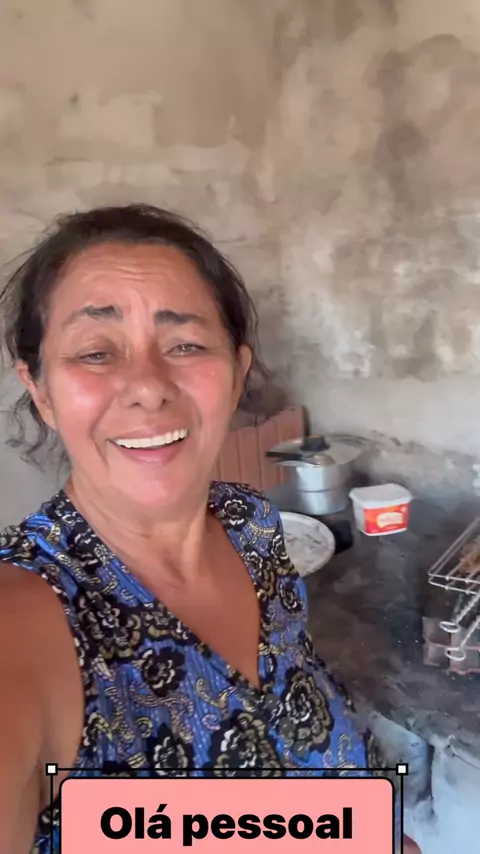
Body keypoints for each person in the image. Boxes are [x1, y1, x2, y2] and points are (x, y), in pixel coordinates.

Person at [0, 204, 419, 853]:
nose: (148, 386)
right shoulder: (27, 614)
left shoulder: (250, 523)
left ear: (235, 373)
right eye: (95, 352)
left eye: (186, 346)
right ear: (42, 391)